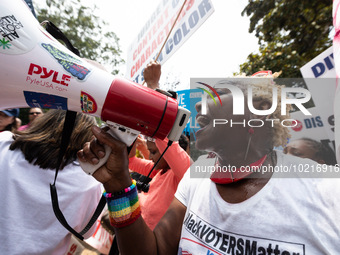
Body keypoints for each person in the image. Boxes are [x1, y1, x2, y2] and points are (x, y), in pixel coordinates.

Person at [78, 72, 340, 254]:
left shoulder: (328, 191)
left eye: (219, 93)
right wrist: (118, 186)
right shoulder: (201, 171)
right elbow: (154, 251)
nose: (201, 105)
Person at [0, 109, 103, 255]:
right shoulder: (89, 181)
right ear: (87, 140)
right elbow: (86, 232)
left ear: (45, 121)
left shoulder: (4, 143)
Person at [128, 135, 192, 230]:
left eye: (153, 152)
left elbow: (165, 143)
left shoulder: (183, 174)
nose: (149, 157)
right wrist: (131, 137)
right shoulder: (159, 170)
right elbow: (130, 161)